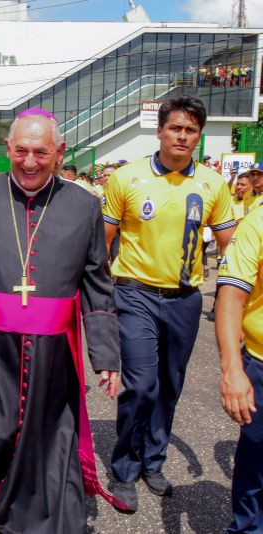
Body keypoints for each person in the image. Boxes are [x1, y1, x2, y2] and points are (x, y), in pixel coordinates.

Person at [0, 109, 121, 533]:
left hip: (55, 348)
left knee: (48, 437)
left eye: (41, 152)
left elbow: (97, 284)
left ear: (59, 153)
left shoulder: (84, 205)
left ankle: (46, 518)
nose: (29, 161)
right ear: (8, 149)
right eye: (20, 150)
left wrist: (106, 353)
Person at [104, 96, 236, 512]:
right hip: (134, 293)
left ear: (199, 136)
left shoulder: (213, 184)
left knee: (169, 387)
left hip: (185, 300)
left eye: (191, 130)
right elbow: (101, 245)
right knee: (141, 384)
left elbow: (233, 247)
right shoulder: (127, 178)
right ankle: (124, 468)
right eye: (175, 128)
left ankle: (153, 460)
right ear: (159, 130)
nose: (182, 136)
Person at [215, 206, 263, 533]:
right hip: (260, 362)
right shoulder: (258, 221)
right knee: (257, 466)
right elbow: (231, 296)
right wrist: (232, 368)